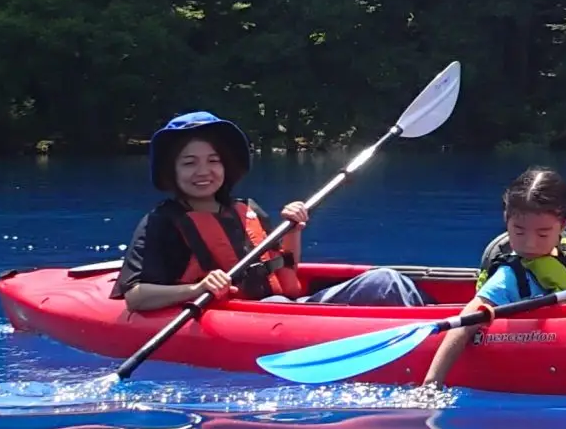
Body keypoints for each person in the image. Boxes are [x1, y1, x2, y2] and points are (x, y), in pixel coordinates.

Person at [113, 111, 425, 313]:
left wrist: (293, 231)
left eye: (213, 160)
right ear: (173, 170)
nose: (203, 171)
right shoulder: (161, 223)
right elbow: (136, 296)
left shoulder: (247, 210)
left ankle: (443, 332)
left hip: (286, 309)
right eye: (189, 162)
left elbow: (284, 269)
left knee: (386, 281)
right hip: (243, 317)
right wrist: (197, 289)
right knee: (275, 303)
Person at [424, 167, 566, 389]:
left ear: (564, 224)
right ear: (506, 219)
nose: (529, 243)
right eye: (519, 232)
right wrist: (432, 383)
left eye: (542, 233)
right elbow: (463, 325)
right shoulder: (508, 277)